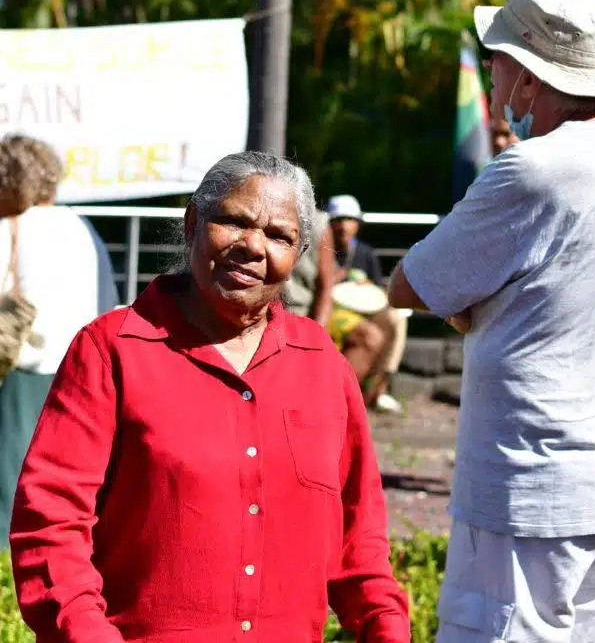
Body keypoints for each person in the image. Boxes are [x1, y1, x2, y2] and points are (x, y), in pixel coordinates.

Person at [11, 151, 410, 643]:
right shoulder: (112, 351)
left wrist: (386, 627)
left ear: (300, 252)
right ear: (192, 223)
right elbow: (51, 524)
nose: (253, 246)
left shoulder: (321, 364)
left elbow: (360, 536)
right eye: (233, 221)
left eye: (278, 236)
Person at [388, 0, 595, 643]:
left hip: (527, 488)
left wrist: (473, 308)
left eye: (495, 58)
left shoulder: (532, 170)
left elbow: (410, 284)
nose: (490, 72)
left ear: (526, 76)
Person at [0, 135, 107, 545]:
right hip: (75, 367)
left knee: (10, 480)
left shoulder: (13, 228)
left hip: (19, 370)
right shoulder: (80, 226)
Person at [324, 195, 407, 413]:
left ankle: (381, 388)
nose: (344, 225)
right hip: (333, 310)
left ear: (357, 224)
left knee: (395, 319)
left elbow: (380, 291)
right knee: (368, 336)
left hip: (364, 309)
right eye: (338, 219)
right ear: (329, 223)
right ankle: (338, 398)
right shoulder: (321, 248)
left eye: (349, 219)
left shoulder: (365, 253)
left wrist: (367, 284)